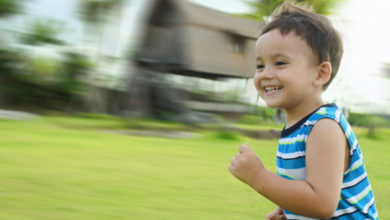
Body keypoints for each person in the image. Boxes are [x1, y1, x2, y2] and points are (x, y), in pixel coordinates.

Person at [228, 1, 379, 219]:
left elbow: (322, 203)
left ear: (320, 74)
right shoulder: (297, 127)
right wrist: (287, 210)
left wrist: (259, 177)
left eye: (280, 63)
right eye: (260, 65)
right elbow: (306, 187)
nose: (265, 74)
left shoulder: (324, 127)